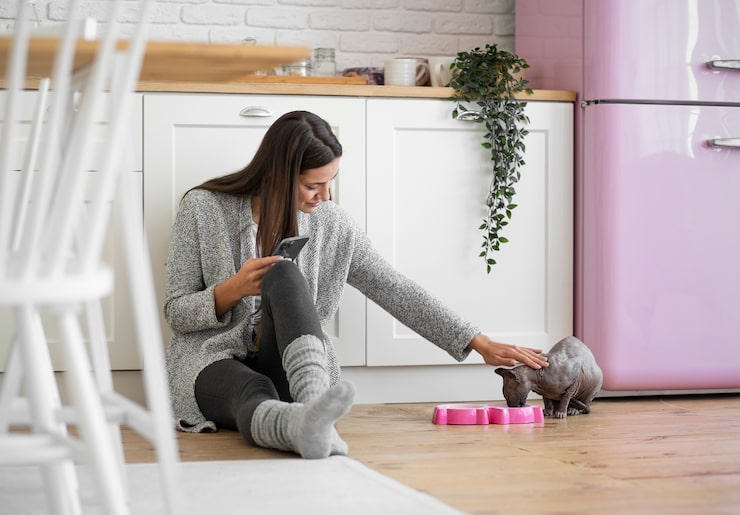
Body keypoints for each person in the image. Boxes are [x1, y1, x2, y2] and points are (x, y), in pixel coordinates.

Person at [163, 110, 549, 460]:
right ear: (279, 175)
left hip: (293, 371)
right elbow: (176, 313)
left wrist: (477, 341)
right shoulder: (202, 208)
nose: (326, 195)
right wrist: (233, 288)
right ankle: (301, 425)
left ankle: (312, 406)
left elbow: (392, 287)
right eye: (314, 185)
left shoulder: (333, 225)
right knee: (250, 391)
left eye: (331, 181)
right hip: (213, 363)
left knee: (284, 273)